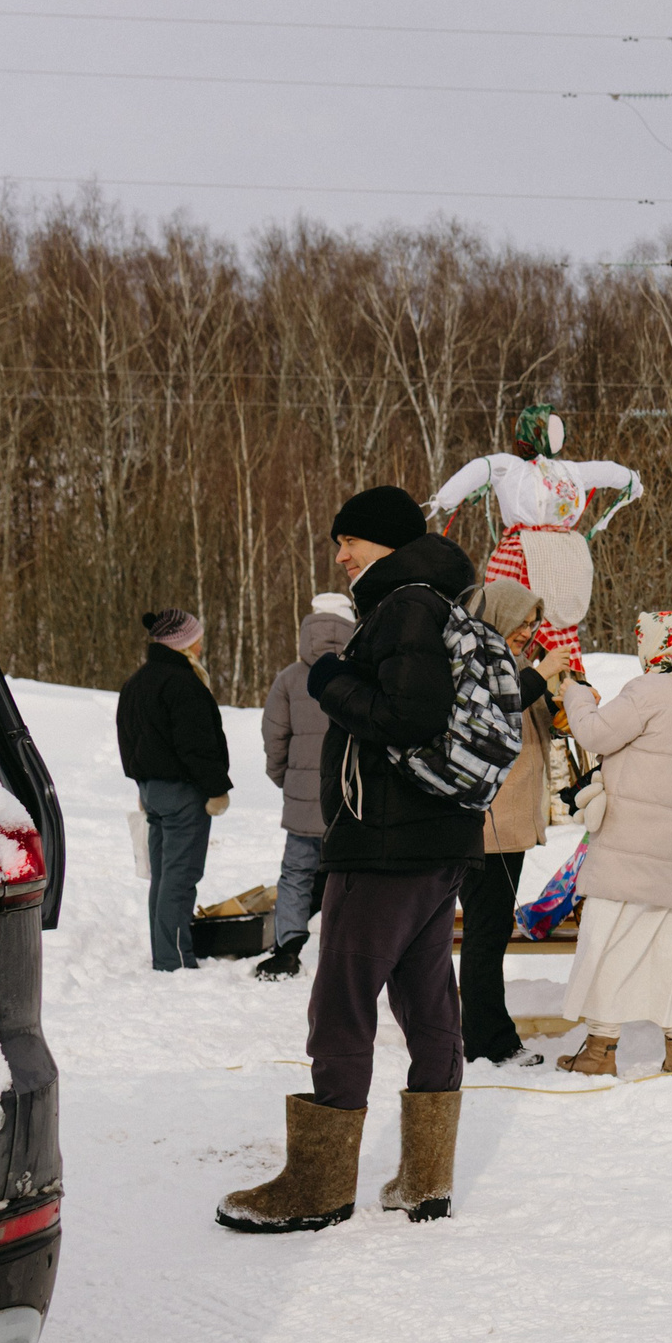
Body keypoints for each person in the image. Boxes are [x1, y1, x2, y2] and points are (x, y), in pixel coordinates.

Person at [218, 486, 481, 1234]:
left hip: (388, 843)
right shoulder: (434, 603)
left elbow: (409, 714)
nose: (340, 555)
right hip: (435, 841)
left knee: (341, 1000)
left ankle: (319, 1185)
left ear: (386, 542)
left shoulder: (405, 607)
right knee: (428, 1004)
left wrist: (331, 680)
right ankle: (426, 1179)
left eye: (349, 541)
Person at [555, 611, 672, 1077]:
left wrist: (574, 693)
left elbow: (593, 733)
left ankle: (599, 1051)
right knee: (668, 953)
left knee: (606, 942)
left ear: (657, 646)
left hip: (630, 847)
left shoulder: (648, 690)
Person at [457, 580, 573, 1068]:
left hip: (511, 827)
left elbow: (544, 726)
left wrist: (566, 701)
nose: (529, 631)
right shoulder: (477, 666)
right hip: (487, 826)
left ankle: (478, 1034)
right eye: (522, 621)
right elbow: (496, 715)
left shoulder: (518, 666)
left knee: (490, 931)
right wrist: (540, 676)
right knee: (485, 934)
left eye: (533, 623)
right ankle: (488, 1041)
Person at [426, 403, 642, 663]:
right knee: (547, 624)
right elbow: (608, 471)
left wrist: (443, 499)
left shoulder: (512, 467)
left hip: (527, 554)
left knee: (509, 619)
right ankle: (562, 678)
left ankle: (510, 669)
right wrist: (633, 481)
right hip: (565, 556)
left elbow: (480, 468)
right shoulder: (570, 471)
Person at [117, 608, 231, 972]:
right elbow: (196, 745)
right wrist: (216, 789)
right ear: (183, 644)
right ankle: (175, 959)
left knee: (165, 876)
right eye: (197, 638)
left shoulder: (138, 681)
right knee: (180, 877)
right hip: (183, 792)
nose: (201, 644)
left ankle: (165, 953)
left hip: (152, 791)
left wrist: (141, 782)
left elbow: (129, 737)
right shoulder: (183, 683)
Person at [255, 593, 356, 981]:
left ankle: (287, 950)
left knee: (296, 874)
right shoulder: (360, 672)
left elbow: (274, 737)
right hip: (348, 799)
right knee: (346, 878)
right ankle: (341, 949)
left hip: (301, 799)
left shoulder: (290, 677)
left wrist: (286, 780)